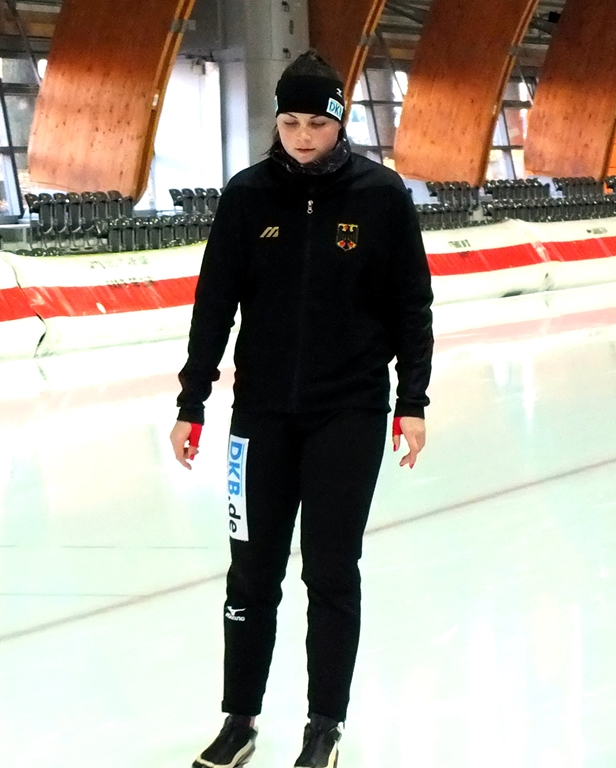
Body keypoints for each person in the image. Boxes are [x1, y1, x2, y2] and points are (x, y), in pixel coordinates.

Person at [170, 50, 433, 768]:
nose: (303, 136)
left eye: (317, 122)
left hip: (348, 412)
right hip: (259, 417)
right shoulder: (248, 195)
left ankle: (325, 725)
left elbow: (411, 306)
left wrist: (412, 401)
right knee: (251, 573)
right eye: (290, 122)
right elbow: (214, 304)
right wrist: (192, 400)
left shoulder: (380, 195)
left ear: (340, 122)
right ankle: (240, 719)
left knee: (330, 571)